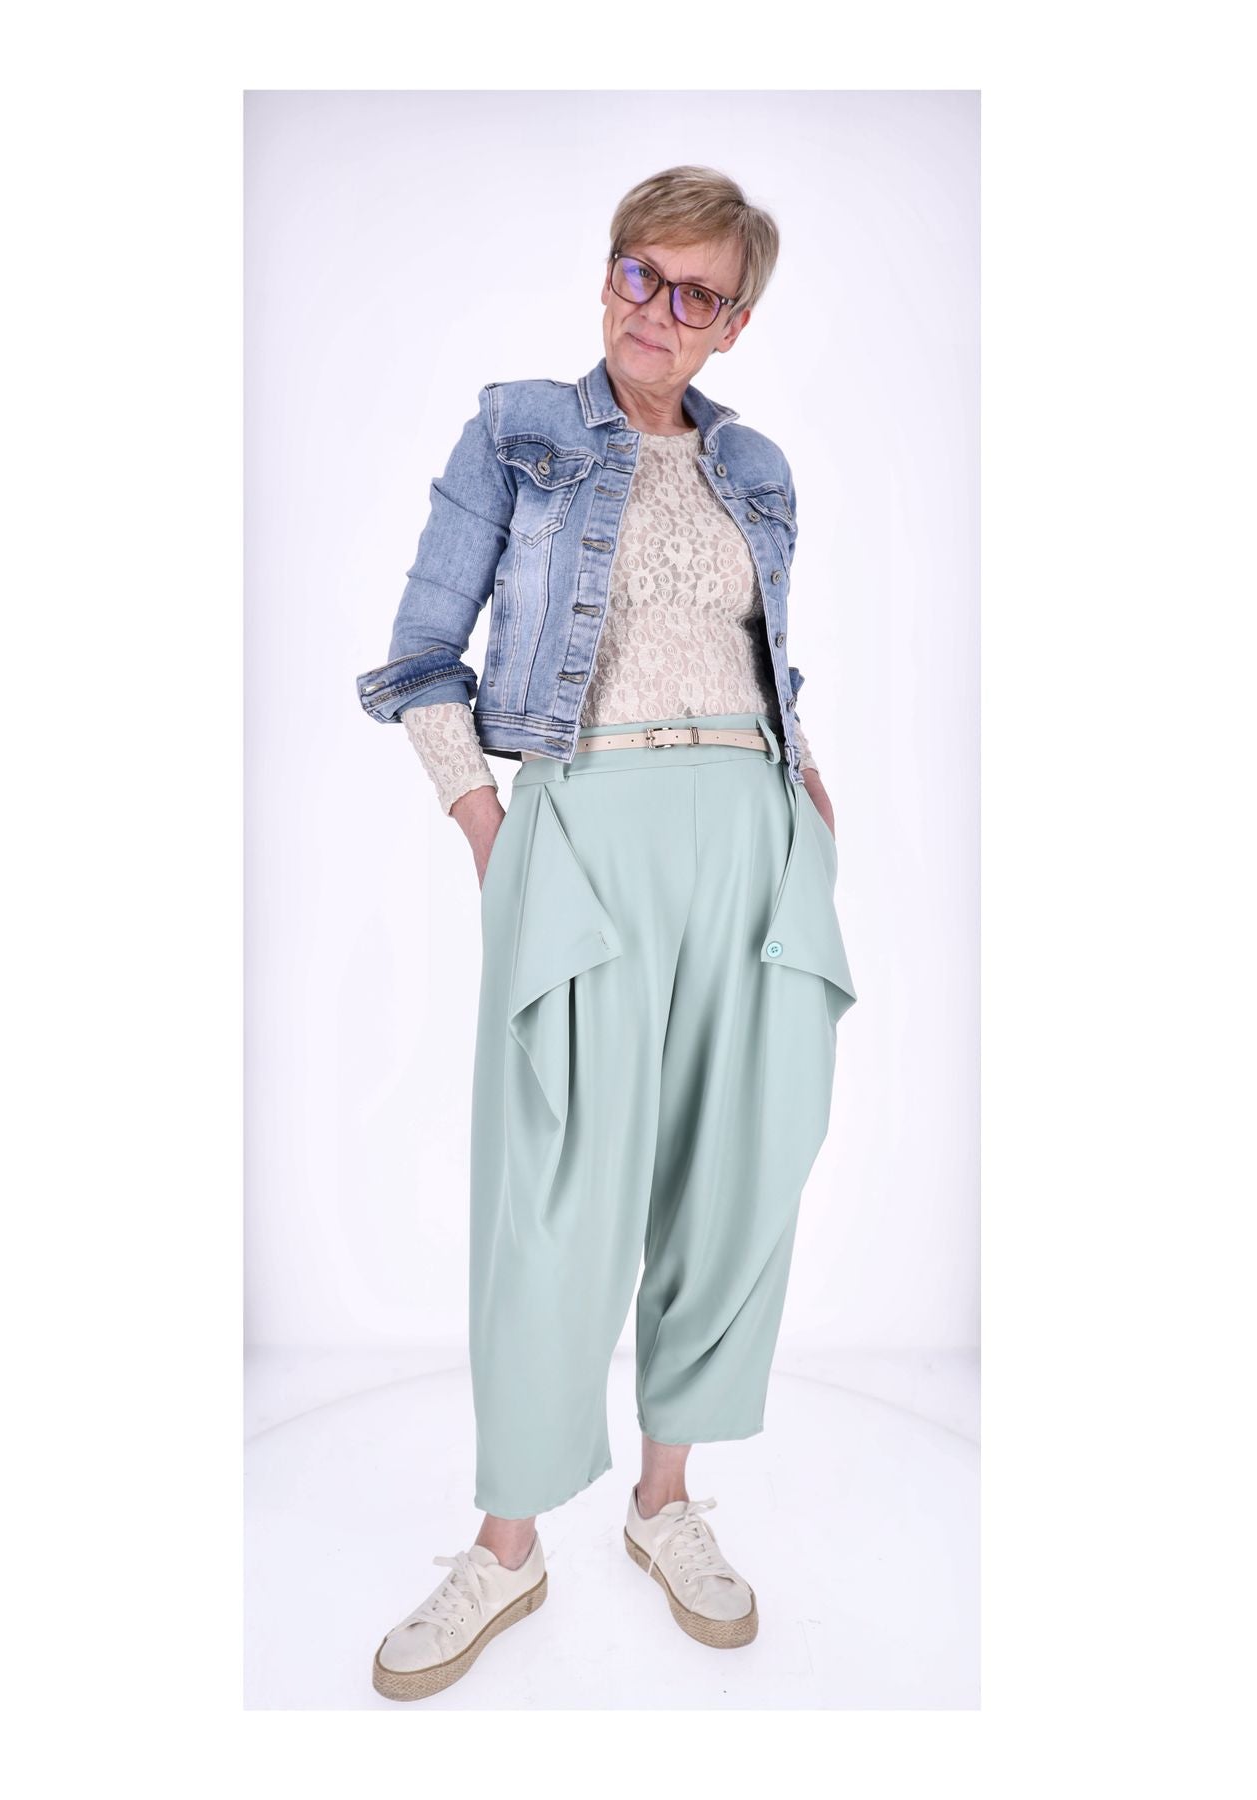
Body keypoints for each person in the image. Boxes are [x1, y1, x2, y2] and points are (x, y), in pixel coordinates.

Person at [355, 165, 857, 1703]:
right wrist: (492, 832)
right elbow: (420, 657)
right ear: (608, 273)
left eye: (696, 292)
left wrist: (809, 797)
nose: (657, 309)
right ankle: (507, 1545)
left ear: (733, 323)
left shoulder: (755, 463)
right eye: (641, 272)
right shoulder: (515, 431)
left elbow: (762, 655)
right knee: (554, 1188)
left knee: (739, 1171)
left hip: (755, 830)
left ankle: (664, 1502)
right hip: (581, 824)